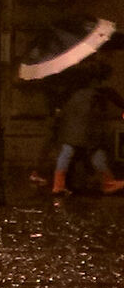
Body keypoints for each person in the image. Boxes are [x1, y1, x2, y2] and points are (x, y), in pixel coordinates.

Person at [50, 60, 124, 200]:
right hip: (87, 126)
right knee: (92, 151)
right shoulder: (100, 91)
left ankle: (58, 185)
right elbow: (113, 103)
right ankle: (107, 183)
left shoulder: (75, 88)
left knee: (69, 151)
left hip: (73, 124)